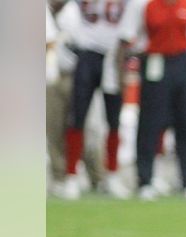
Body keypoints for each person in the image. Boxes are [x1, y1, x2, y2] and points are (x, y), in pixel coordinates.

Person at [117, 0, 186, 201]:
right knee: (150, 122)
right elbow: (125, 39)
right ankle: (145, 180)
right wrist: (121, 73)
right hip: (154, 61)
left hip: (183, 62)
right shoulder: (142, 4)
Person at [56, 0, 132, 200]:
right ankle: (71, 176)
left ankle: (112, 174)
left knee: (114, 120)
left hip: (115, 55)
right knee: (77, 117)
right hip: (87, 55)